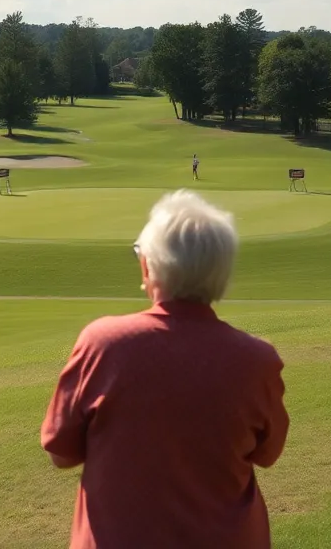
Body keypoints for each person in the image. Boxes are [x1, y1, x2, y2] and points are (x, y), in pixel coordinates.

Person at [40, 189, 289, 548]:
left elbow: (59, 451)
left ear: (147, 266)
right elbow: (269, 454)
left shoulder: (103, 343)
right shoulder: (258, 359)